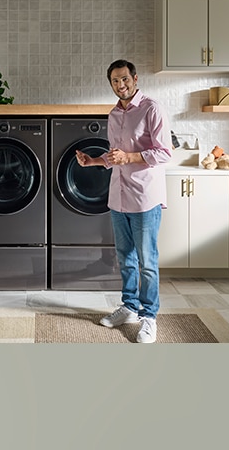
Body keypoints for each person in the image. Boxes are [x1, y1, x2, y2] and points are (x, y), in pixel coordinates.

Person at [76, 59, 172, 343]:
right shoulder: (114, 115)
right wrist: (93, 160)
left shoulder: (151, 109)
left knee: (147, 261)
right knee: (126, 259)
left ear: (135, 78)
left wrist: (130, 157)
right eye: (115, 81)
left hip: (145, 197)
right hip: (118, 197)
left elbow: (165, 152)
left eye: (125, 79)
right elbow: (114, 154)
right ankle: (129, 307)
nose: (121, 85)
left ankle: (149, 317)